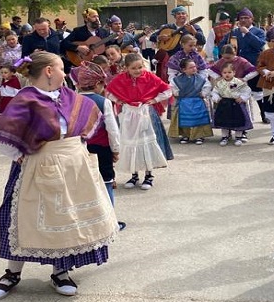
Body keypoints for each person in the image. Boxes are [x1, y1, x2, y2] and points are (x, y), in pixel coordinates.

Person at [0, 51, 117, 301]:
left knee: (65, 217)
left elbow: (87, 116)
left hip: (72, 167)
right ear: (48, 71)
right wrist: (18, 154)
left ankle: (61, 271)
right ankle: (12, 273)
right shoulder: (26, 99)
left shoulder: (68, 96)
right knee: (22, 218)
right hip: (38, 165)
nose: (65, 73)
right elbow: (6, 133)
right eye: (60, 68)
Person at [106, 53, 174, 190]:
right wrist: (118, 100)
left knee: (147, 144)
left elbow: (167, 90)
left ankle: (149, 175)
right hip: (128, 114)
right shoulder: (120, 79)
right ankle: (134, 174)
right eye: (133, 68)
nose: (137, 70)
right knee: (131, 144)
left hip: (146, 113)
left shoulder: (150, 77)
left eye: (140, 67)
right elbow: (108, 92)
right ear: (126, 68)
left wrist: (154, 100)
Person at [74, 61, 125, 230]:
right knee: (106, 182)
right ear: (98, 84)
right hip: (101, 149)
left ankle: (86, 220)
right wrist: (115, 149)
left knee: (83, 184)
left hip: (79, 149)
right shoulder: (104, 102)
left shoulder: (72, 100)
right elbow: (112, 129)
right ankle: (110, 221)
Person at [219, 8, 267, 122]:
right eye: (241, 18)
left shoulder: (258, 31)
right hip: (236, 67)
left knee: (257, 92)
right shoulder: (233, 33)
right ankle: (240, 116)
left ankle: (263, 114)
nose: (244, 20)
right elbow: (222, 46)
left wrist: (248, 33)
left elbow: (260, 45)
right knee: (237, 91)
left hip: (253, 66)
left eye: (246, 18)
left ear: (252, 19)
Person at [168, 58, 214, 145]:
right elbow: (172, 87)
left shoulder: (201, 79)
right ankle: (185, 135)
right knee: (184, 119)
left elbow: (207, 86)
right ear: (183, 70)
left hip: (197, 102)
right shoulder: (177, 80)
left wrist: (203, 93)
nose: (194, 69)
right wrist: (176, 93)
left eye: (194, 67)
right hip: (183, 102)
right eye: (191, 67)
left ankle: (199, 135)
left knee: (198, 119)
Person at [211, 62, 254, 146]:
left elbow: (247, 90)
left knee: (238, 120)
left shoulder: (239, 82)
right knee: (224, 121)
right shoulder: (219, 83)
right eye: (225, 72)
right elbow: (214, 92)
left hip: (236, 104)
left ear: (234, 72)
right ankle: (225, 137)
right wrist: (216, 98)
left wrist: (242, 98)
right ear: (221, 73)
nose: (227, 74)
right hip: (224, 104)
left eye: (229, 72)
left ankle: (238, 137)